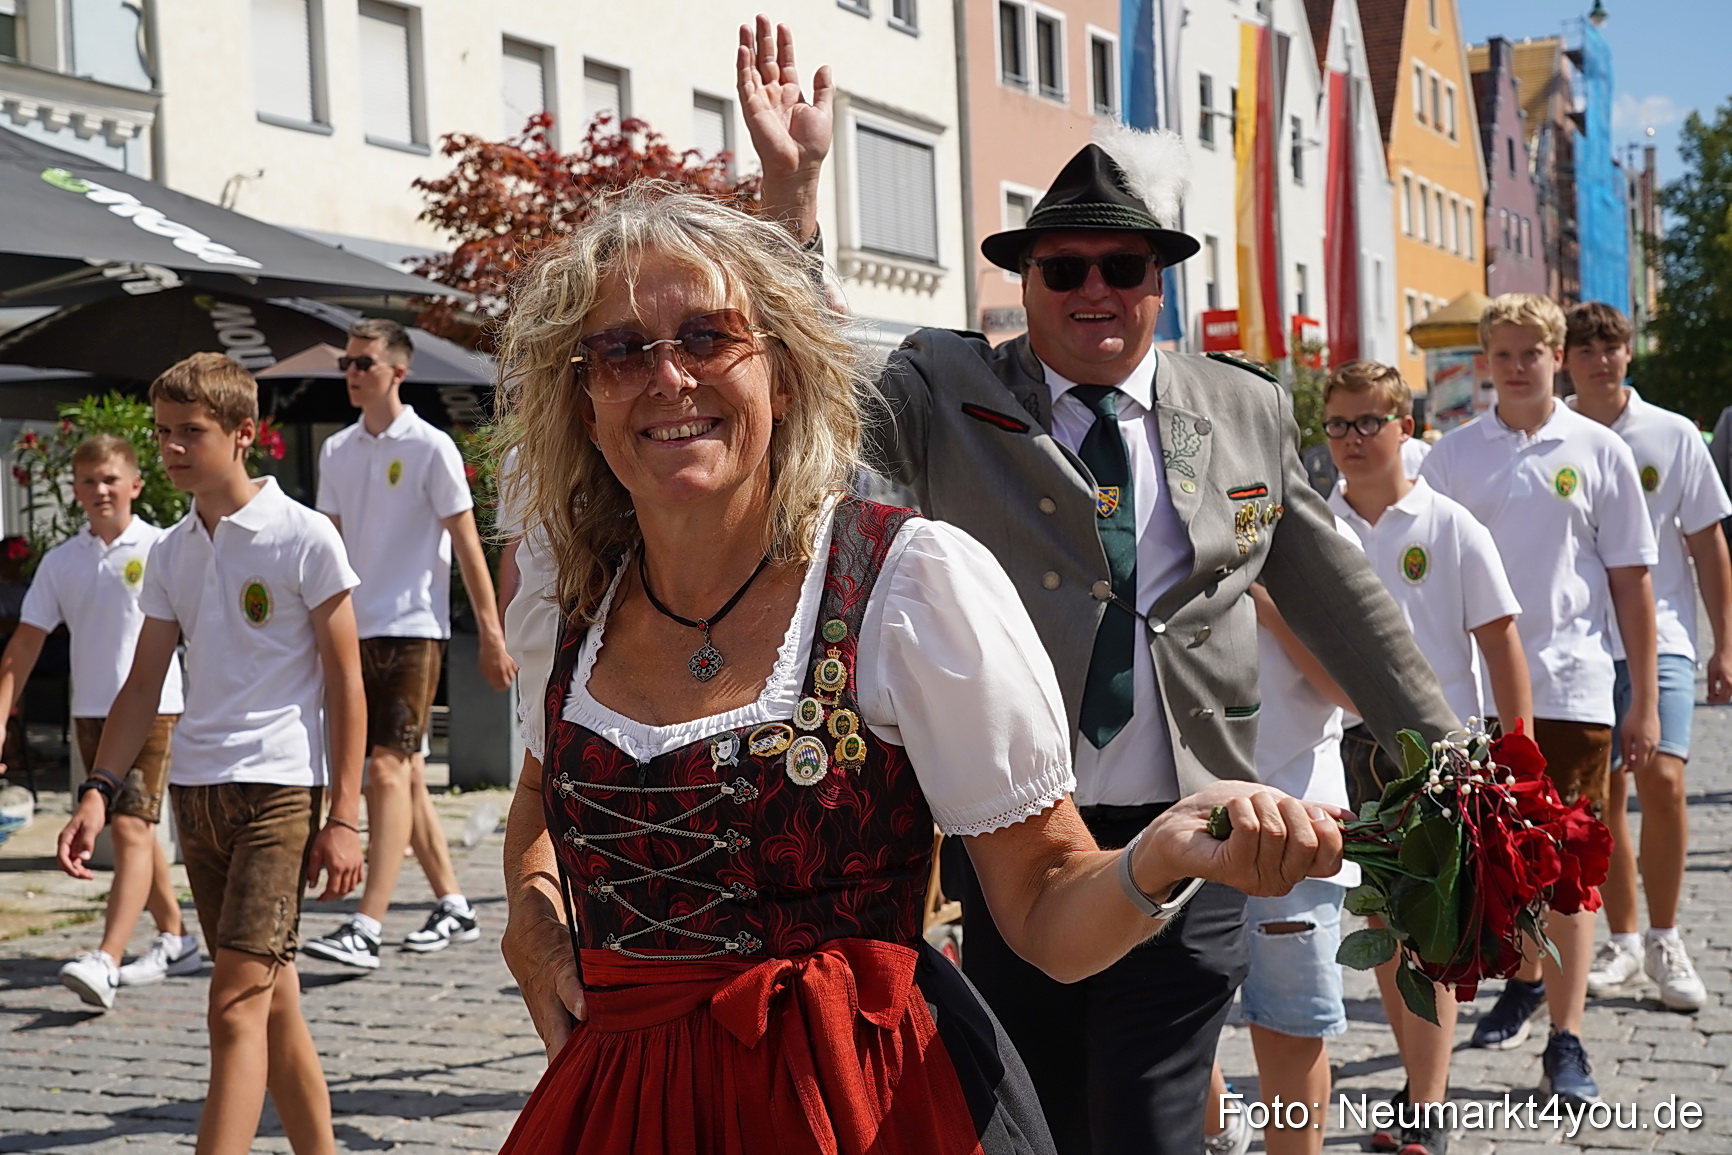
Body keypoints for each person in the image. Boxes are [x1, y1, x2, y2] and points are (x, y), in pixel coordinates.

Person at [491, 183, 1350, 1155]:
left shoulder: (903, 587)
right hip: (628, 1110)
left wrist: (1157, 857)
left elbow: (1040, 903)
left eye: (706, 338)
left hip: (856, 1107)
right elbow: (538, 798)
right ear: (585, 402)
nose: (668, 378)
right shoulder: (568, 604)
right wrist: (532, 917)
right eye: (620, 351)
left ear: (781, 375)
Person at [735, 19, 1457, 1155]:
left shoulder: (1244, 407)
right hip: (1016, 831)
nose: (1093, 291)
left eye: (1122, 267)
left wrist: (1455, 767)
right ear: (1024, 281)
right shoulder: (945, 387)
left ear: (1159, 280)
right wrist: (793, 200)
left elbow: (1339, 601)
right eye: (1060, 268)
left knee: (1149, 1114)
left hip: (1198, 827)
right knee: (1036, 1115)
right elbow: (810, 387)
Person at [53, 353, 366, 1153]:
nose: (171, 449)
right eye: (162, 433)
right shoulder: (171, 551)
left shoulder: (305, 536)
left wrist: (345, 815)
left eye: (190, 432)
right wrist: (98, 789)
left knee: (232, 1002)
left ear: (243, 433)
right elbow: (142, 685)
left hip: (280, 794)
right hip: (196, 792)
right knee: (273, 997)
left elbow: (346, 682)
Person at [1420, 294, 1657, 1106]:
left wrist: (1645, 698)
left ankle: (1567, 1040)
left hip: (1575, 689)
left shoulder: (1598, 451)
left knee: (1571, 876)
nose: (1518, 365)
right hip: (1471, 702)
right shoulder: (1449, 458)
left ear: (1557, 354)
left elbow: (1632, 581)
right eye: (1503, 352)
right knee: (1486, 868)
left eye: (1532, 351)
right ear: (1484, 361)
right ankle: (1488, 1011)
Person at [1324, 360, 1533, 1155]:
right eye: (1338, 424)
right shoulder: (1321, 529)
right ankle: (1419, 1093)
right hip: (1352, 751)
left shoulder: (1449, 524)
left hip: (1443, 755)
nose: (1351, 439)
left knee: (1434, 935)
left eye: (1368, 422)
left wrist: (1519, 759)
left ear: (1405, 427)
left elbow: (1501, 642)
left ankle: (1429, 1108)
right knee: (1383, 930)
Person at [301, 318, 516, 971]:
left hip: (413, 628)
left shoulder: (431, 447)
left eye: (363, 362)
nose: (351, 372)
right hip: (351, 630)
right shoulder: (336, 450)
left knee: (385, 771)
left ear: (398, 371)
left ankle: (365, 925)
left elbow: (467, 541)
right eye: (346, 362)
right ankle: (454, 900)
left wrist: (490, 630)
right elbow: (326, 548)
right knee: (409, 777)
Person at [1565, 302, 1732, 1013]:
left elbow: (1707, 544)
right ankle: (1623, 938)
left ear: (1630, 353)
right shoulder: (1552, 435)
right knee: (1602, 800)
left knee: (1662, 778)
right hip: (1577, 645)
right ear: (1566, 357)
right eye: (1588, 347)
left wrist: (1726, 641)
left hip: (1661, 634)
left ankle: (1666, 938)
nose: (1603, 358)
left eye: (1615, 346)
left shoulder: (1671, 434)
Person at [0, 435, 191, 1008]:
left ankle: (105, 958)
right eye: (88, 481)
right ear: (75, 490)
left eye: (110, 479)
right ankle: (177, 939)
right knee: (132, 824)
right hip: (92, 713)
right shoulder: (62, 561)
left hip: (156, 708)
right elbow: (26, 643)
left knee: (132, 827)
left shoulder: (162, 547)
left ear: (135, 484)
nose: (100, 490)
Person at [1206, 558, 1366, 1155]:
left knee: (1288, 1029)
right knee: (1167, 1012)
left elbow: (1354, 688)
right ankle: (1219, 1125)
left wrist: (1264, 600)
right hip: (1183, 814)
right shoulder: (1162, 514)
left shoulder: (1320, 541)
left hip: (1300, 822)